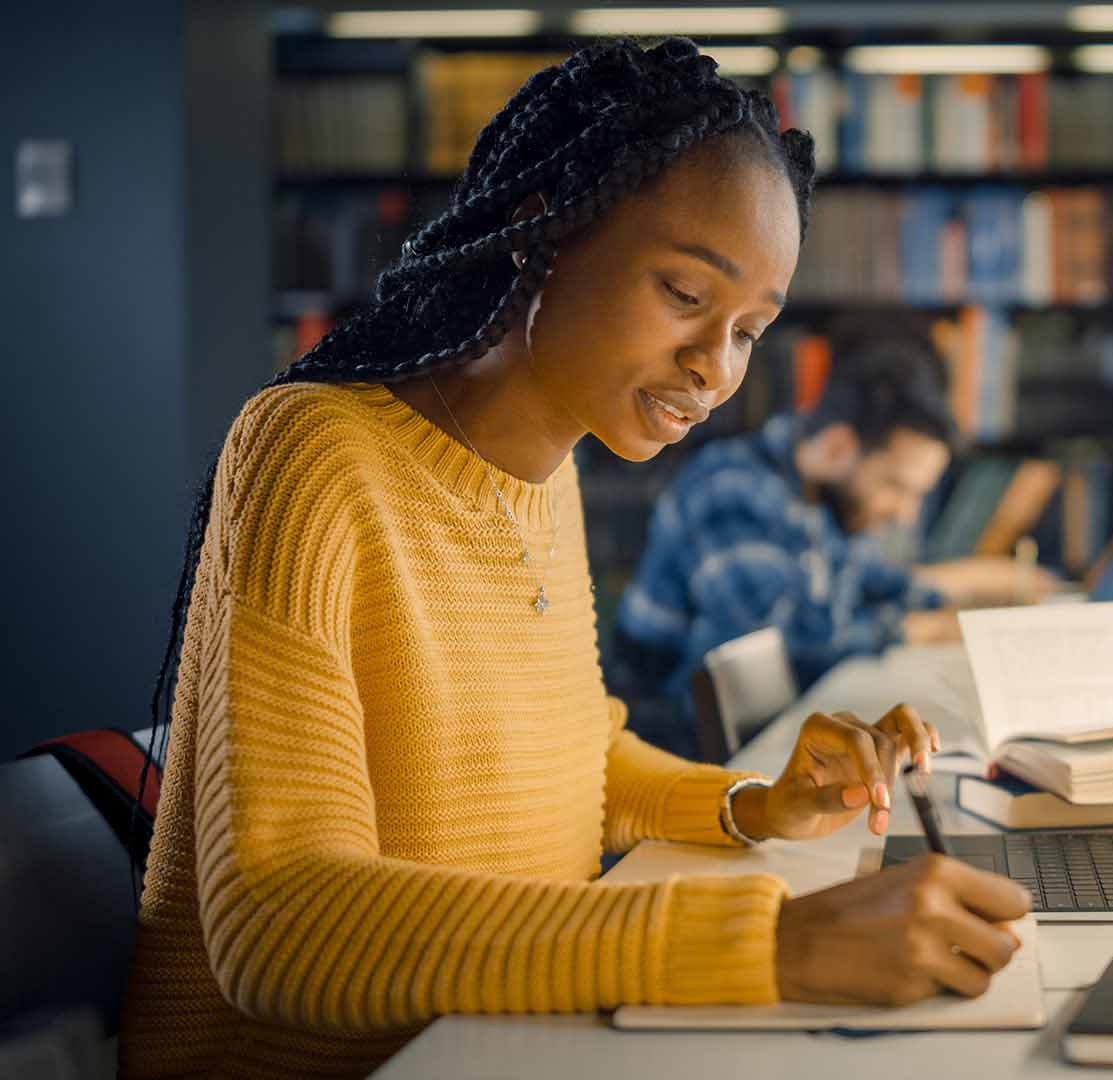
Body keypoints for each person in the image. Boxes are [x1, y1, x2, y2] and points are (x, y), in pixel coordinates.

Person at [119, 39, 1028, 1080]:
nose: (715, 368)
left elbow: (572, 761)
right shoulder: (313, 454)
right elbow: (277, 923)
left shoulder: (548, 476)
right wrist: (769, 945)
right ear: (538, 228)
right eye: (686, 294)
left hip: (498, 1043)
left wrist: (753, 804)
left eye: (749, 330)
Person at [611, 337, 1058, 757]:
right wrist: (930, 629)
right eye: (896, 487)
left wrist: (980, 586)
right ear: (840, 446)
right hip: (666, 755)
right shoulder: (732, 492)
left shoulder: (817, 493)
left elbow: (872, 580)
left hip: (759, 746)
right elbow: (787, 648)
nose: (904, 514)